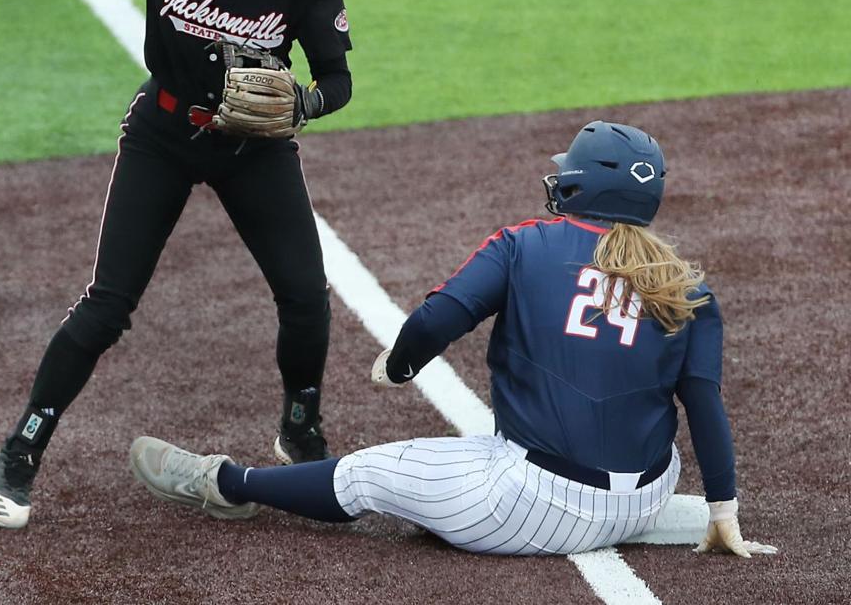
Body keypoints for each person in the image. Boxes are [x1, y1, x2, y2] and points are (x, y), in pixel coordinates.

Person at [0, 0, 353, 529]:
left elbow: (338, 79)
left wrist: (301, 107)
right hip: (163, 135)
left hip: (253, 149)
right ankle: (20, 449)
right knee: (108, 304)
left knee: (305, 298)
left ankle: (300, 423)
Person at [128, 121, 778, 558]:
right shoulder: (687, 286)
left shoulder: (526, 243)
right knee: (601, 443)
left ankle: (225, 483)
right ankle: (701, 517)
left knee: (363, 476)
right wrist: (724, 510)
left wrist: (401, 365)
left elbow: (436, 322)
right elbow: (705, 407)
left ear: (580, 184)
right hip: (647, 499)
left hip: (530, 508)